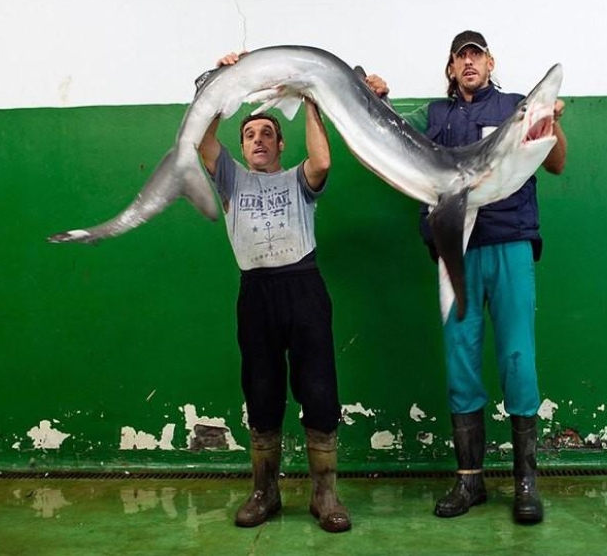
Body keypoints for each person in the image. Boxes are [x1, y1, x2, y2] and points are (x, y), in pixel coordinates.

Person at [372, 31, 566, 524]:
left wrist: (553, 123)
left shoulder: (516, 106)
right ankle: (469, 480)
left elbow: (557, 163)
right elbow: (396, 142)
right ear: (452, 68)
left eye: (476, 54)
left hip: (509, 243)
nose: (469, 62)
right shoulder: (435, 116)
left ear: (490, 62)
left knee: (518, 358)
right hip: (454, 247)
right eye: (461, 57)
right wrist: (379, 100)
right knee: (460, 362)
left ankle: (526, 482)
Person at [195, 51, 353, 533]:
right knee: (261, 392)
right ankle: (265, 491)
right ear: (242, 147)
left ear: (281, 144)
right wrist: (225, 80)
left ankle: (325, 494)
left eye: (267, 133)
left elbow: (323, 160)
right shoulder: (230, 179)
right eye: (250, 135)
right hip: (257, 294)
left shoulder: (297, 179)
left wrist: (309, 97)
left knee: (319, 389)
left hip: (303, 287)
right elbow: (203, 140)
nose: (258, 139)